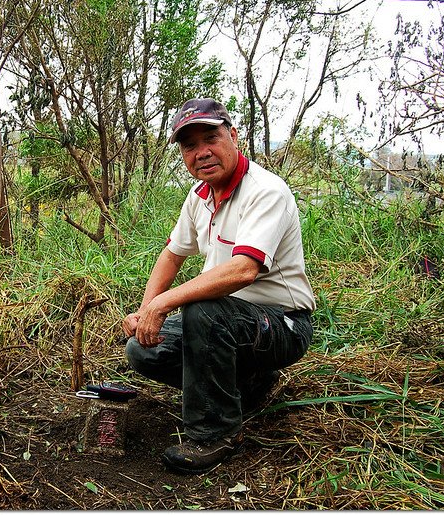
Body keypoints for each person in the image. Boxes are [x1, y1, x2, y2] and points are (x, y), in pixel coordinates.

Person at [123, 98, 315, 474]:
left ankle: (215, 433)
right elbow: (171, 256)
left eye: (210, 138)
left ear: (233, 135)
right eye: (189, 146)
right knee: (143, 351)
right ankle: (250, 385)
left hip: (283, 324)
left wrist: (163, 305)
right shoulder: (199, 197)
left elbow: (243, 270)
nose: (202, 153)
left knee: (203, 310)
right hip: (231, 322)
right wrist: (147, 309)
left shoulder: (265, 191)